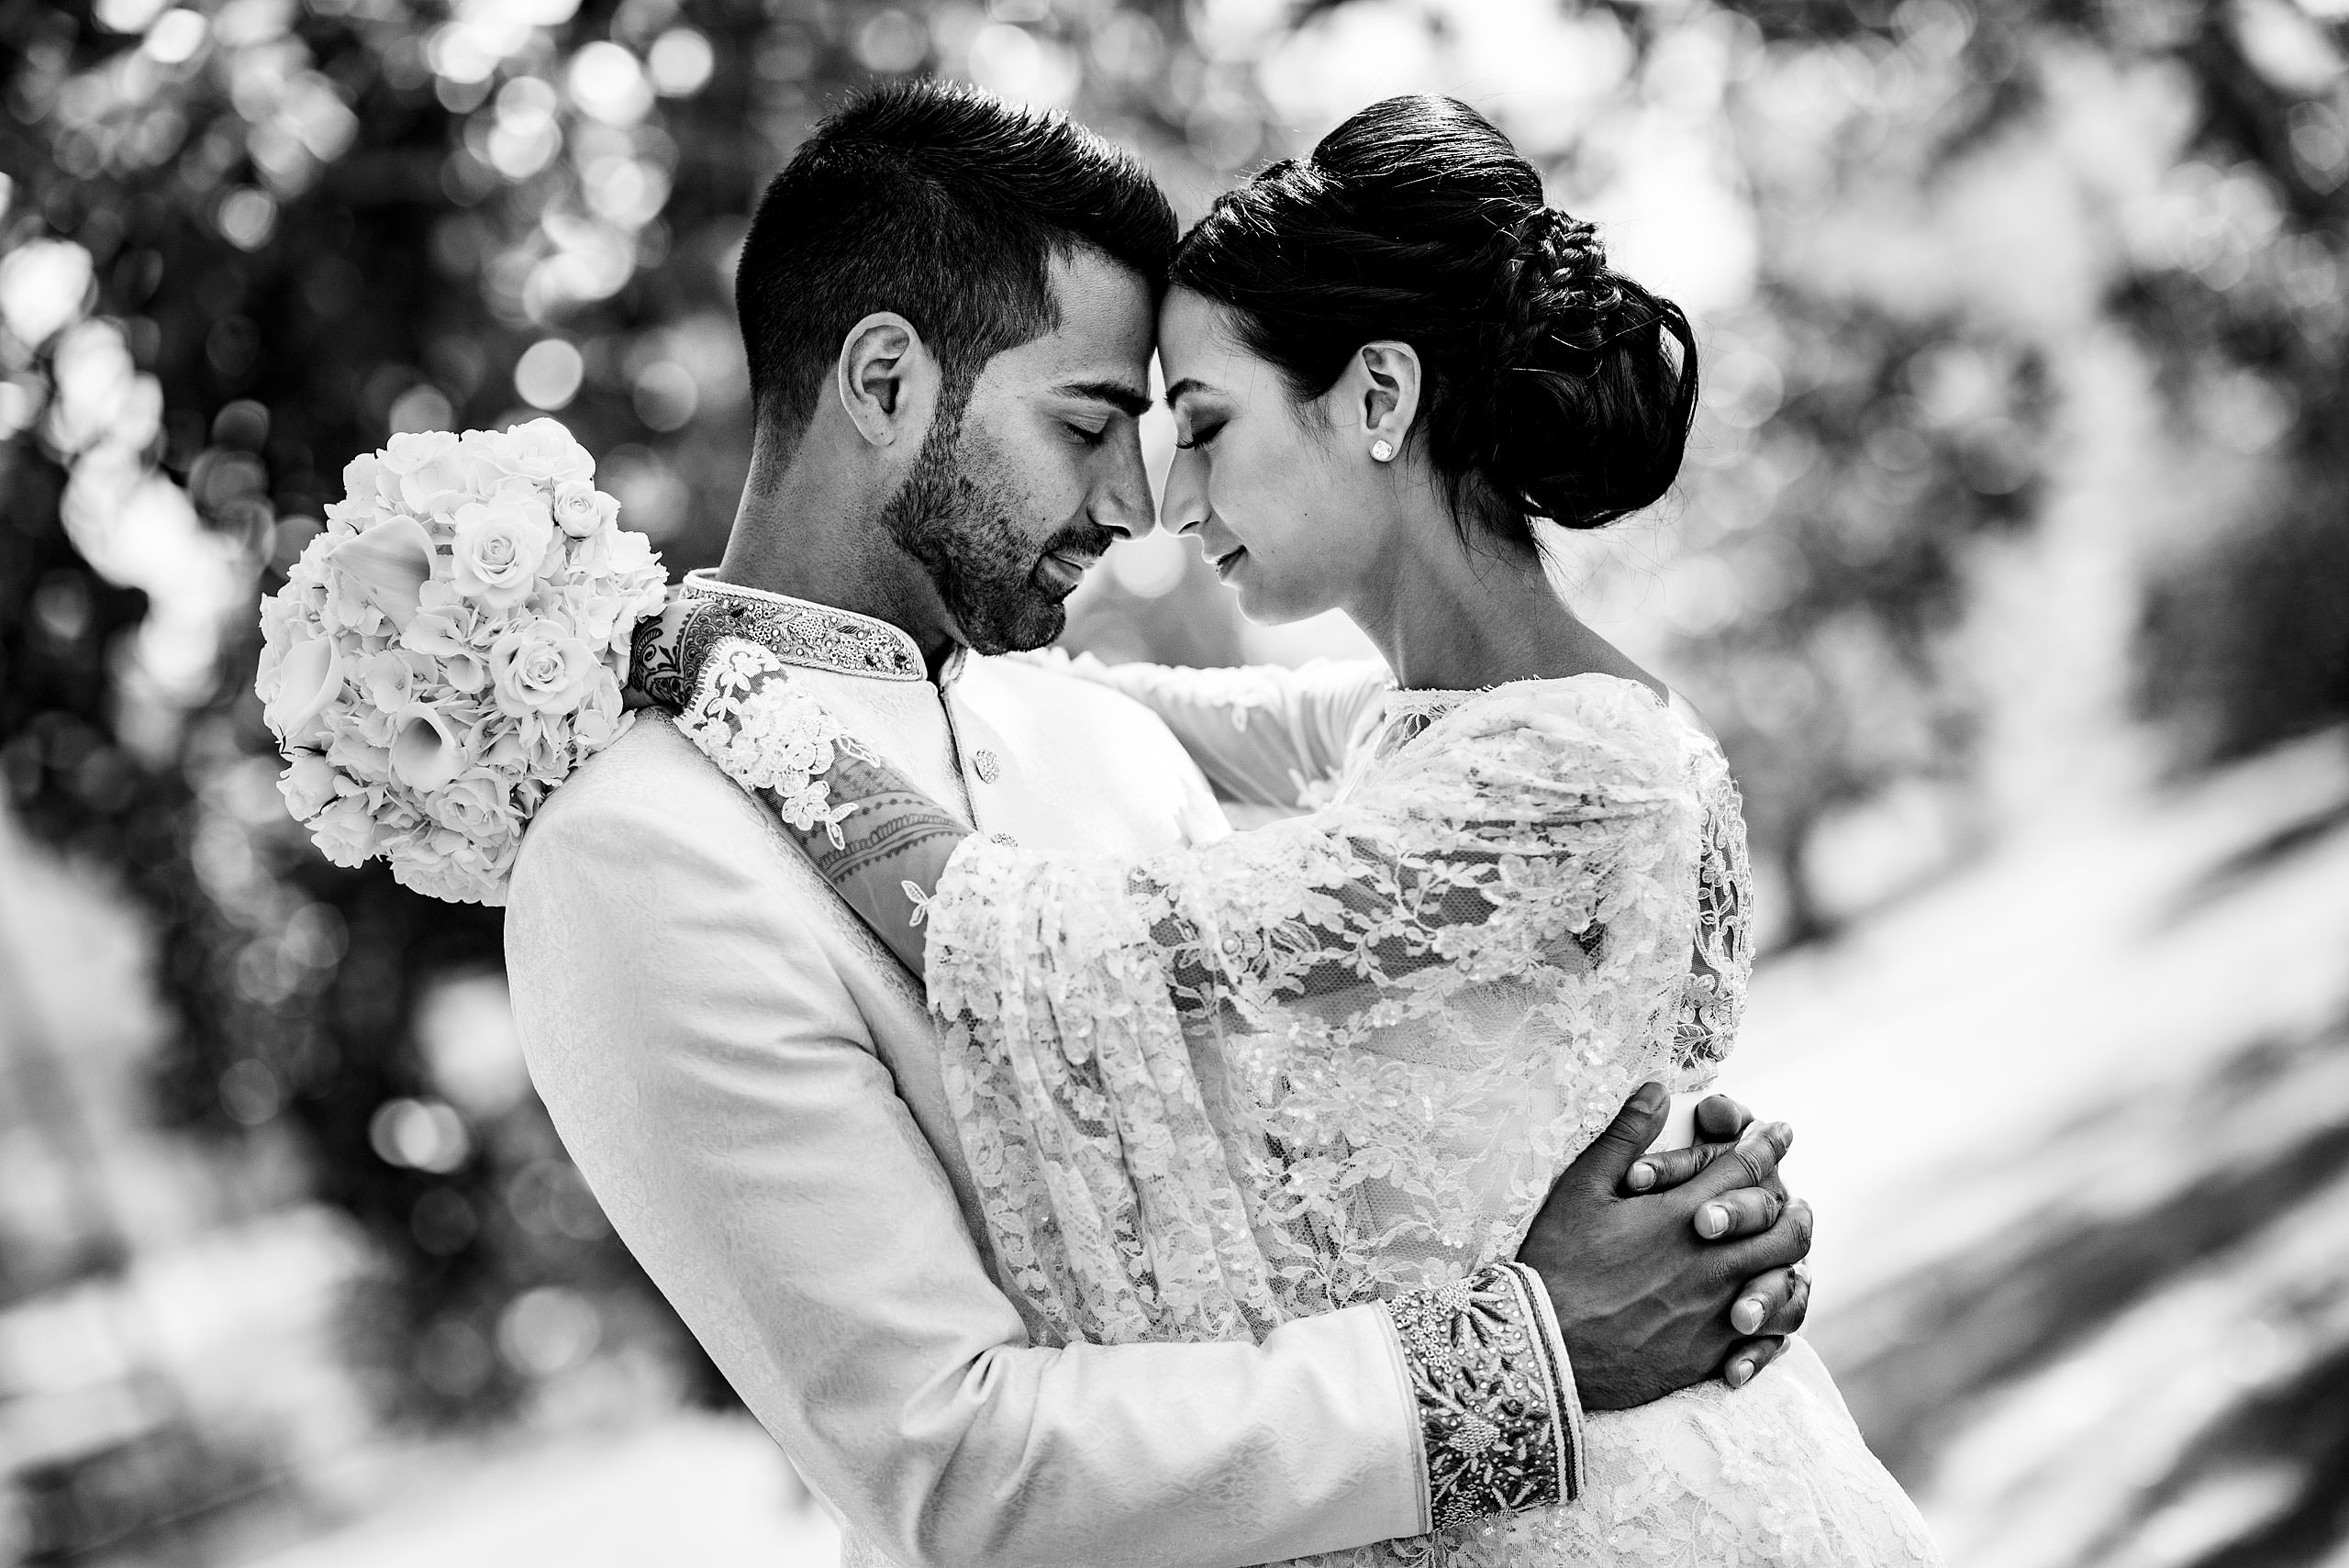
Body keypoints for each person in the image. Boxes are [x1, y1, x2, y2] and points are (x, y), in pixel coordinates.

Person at [507, 82, 1814, 1568]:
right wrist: (1534, 1354)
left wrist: (1672, 1225)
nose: (1144, 505)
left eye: (1181, 423)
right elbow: (959, 1467)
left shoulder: (1092, 723)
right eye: (1093, 421)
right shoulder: (642, 853)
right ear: (882, 383)